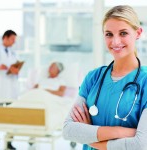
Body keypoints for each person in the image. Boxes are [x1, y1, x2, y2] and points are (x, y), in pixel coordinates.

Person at [63, 5, 147, 150]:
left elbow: (141, 144)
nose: (115, 42)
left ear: (138, 33)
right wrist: (121, 132)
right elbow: (68, 130)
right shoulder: (93, 77)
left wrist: (91, 137)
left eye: (123, 33)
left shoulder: (144, 81)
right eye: (109, 34)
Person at [0, 30, 20, 150]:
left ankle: (9, 142)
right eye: (12, 40)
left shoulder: (14, 53)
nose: (13, 42)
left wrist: (16, 70)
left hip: (11, 90)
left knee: (12, 116)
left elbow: (16, 67)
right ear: (5, 38)